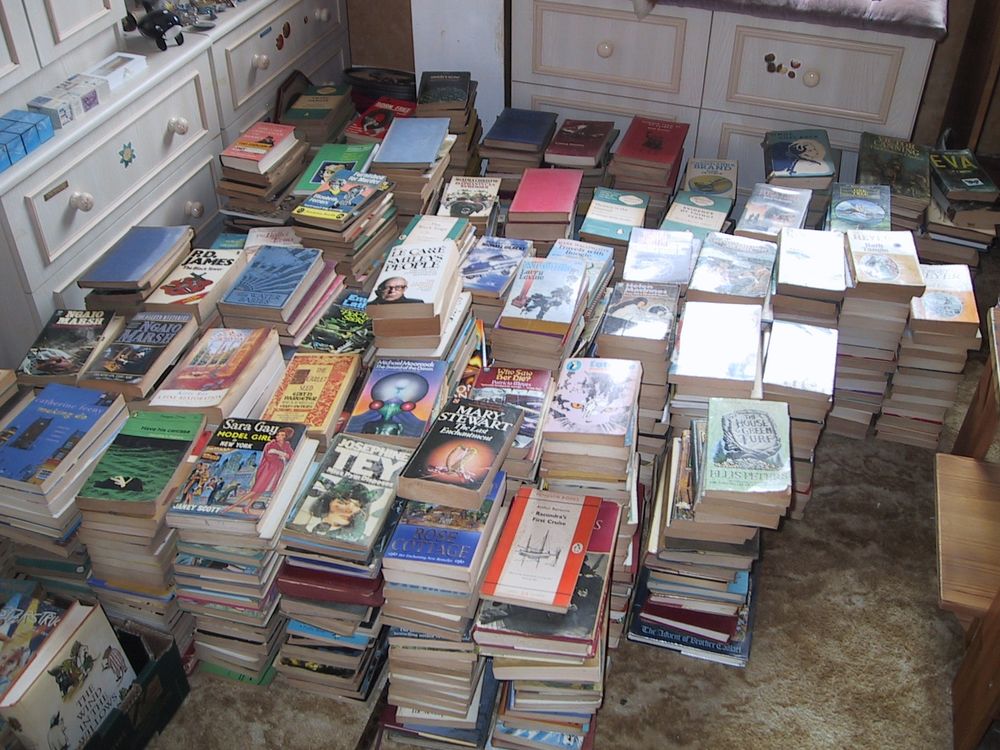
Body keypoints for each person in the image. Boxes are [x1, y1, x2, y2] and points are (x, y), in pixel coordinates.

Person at [226, 427, 295, 512]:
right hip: (266, 469)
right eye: (278, 434)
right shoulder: (270, 444)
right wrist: (281, 455)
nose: (278, 436)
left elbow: (291, 456)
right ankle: (232, 507)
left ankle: (247, 507)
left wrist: (280, 453)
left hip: (277, 470)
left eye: (282, 435)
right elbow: (268, 456)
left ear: (285, 437)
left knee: (261, 490)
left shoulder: (287, 445)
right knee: (256, 489)